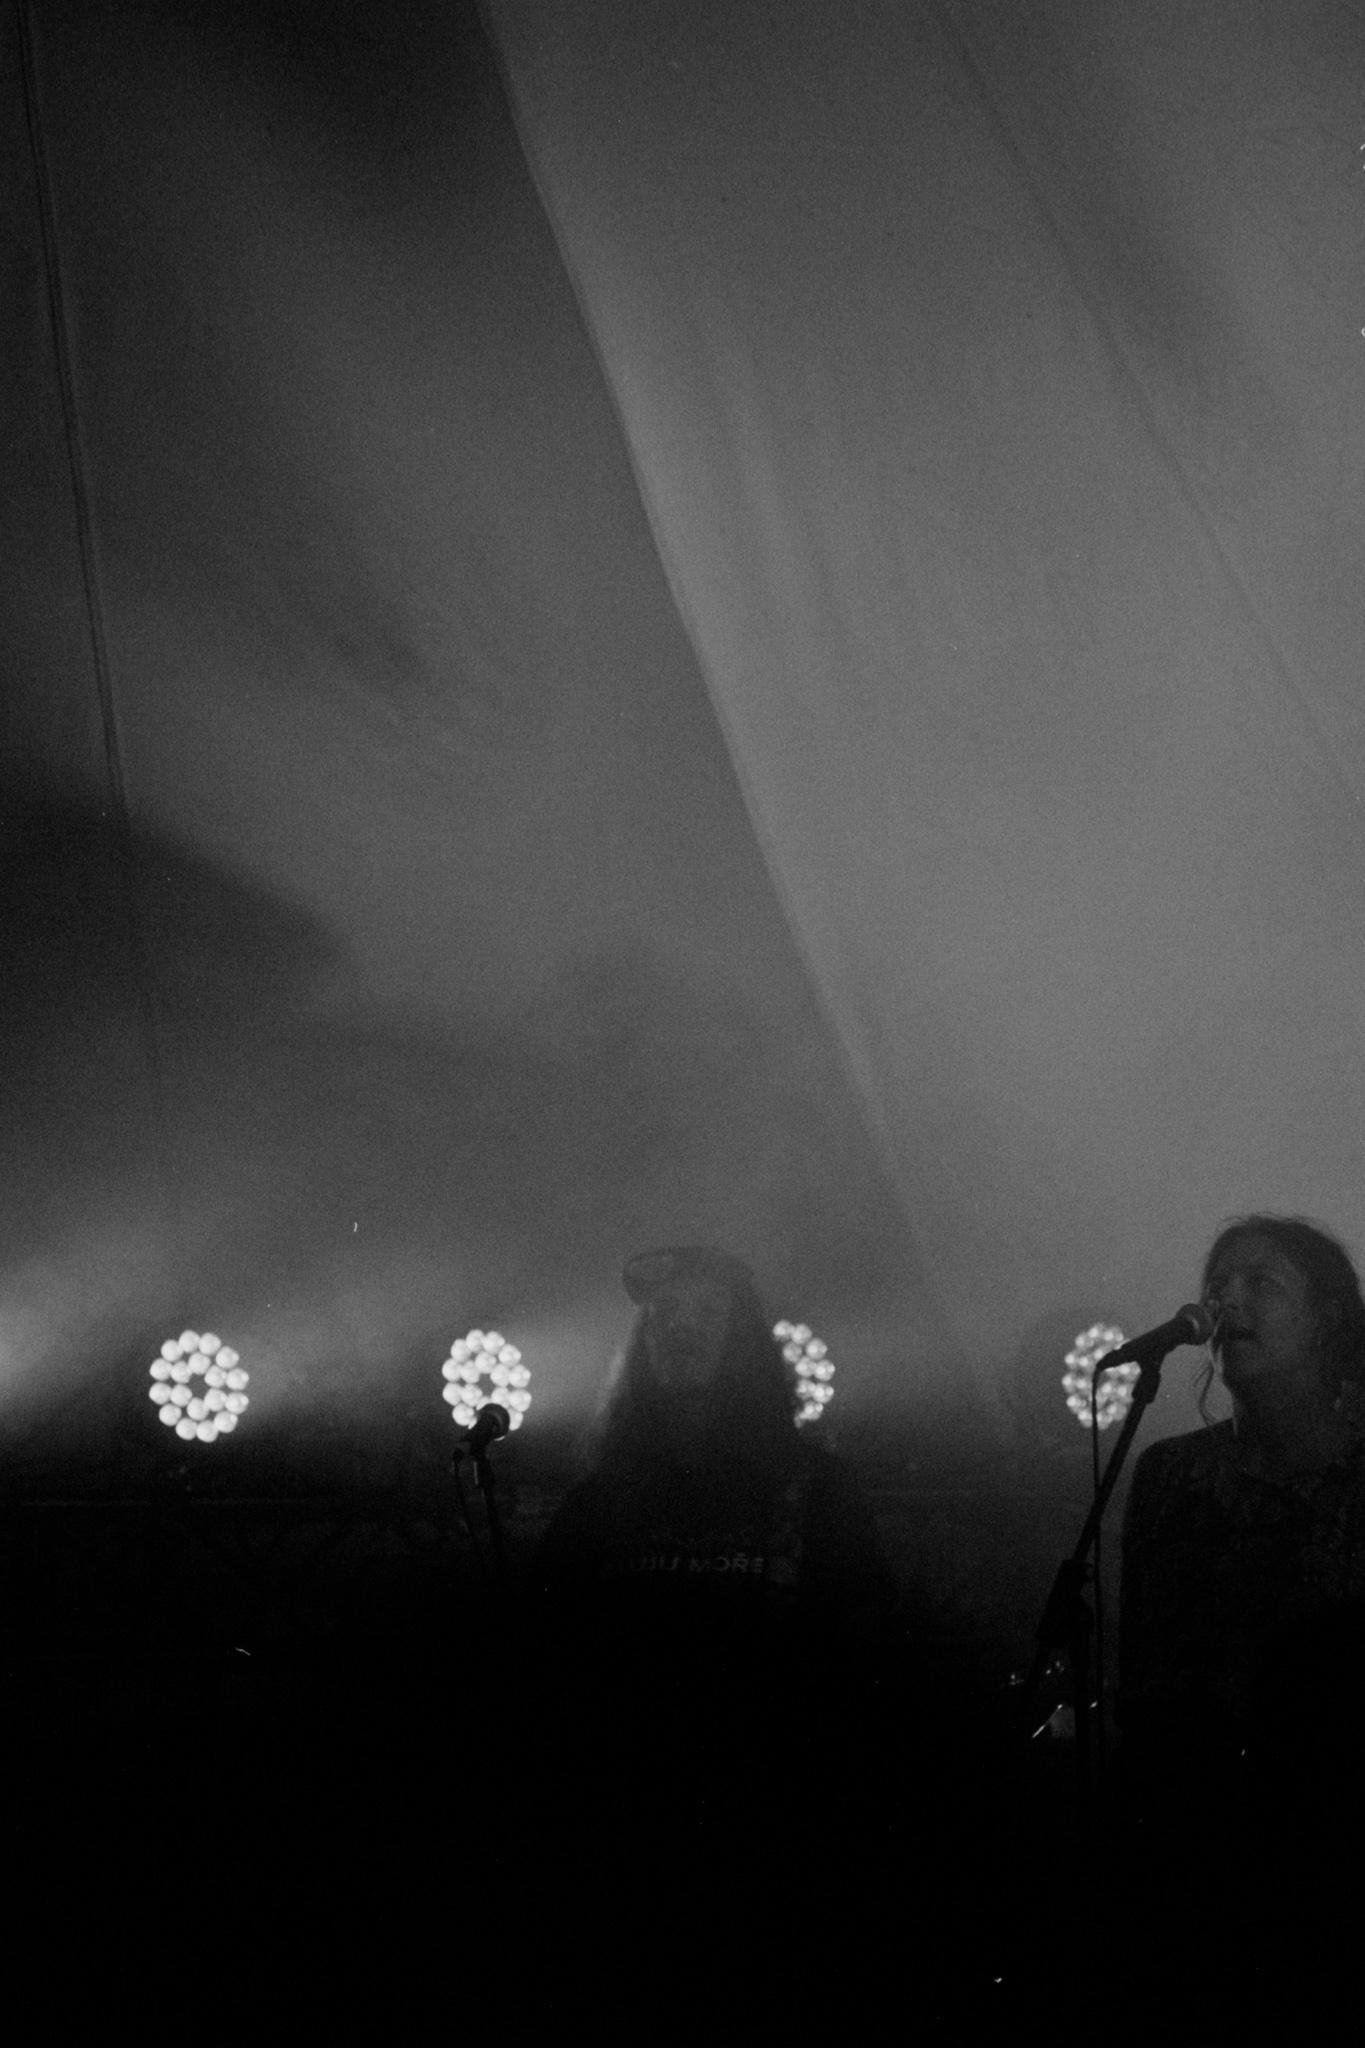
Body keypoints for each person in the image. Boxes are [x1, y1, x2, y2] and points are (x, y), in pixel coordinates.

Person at [522, 1245, 903, 2027]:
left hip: (774, 1842)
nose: (680, 1329)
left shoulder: (815, 1491)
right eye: (663, 1315)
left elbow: (867, 1659)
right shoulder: (599, 1503)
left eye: (705, 1314)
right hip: (631, 1849)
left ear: (745, 1342)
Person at [1117, 1214, 1365, 2020]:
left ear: (1326, 1316)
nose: (1227, 1302)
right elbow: (1141, 1676)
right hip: (1203, 1847)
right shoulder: (1171, 1475)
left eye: (1261, 1283)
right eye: (1217, 1284)